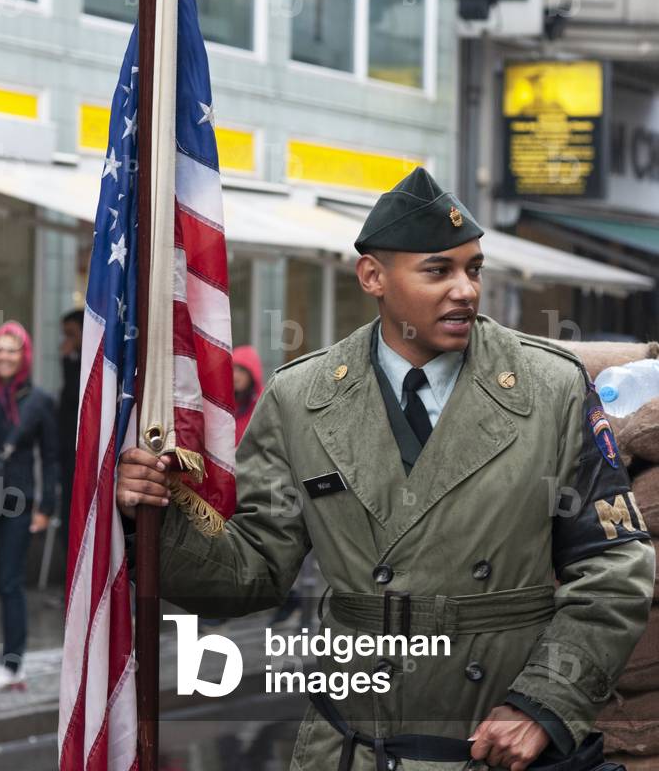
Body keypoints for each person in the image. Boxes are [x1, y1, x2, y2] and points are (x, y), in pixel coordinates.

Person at [116, 168, 654, 771]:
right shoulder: (302, 397)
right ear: (373, 276)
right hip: (351, 747)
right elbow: (256, 570)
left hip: (496, 746)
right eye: (438, 270)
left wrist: (545, 704)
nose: (465, 290)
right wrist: (156, 521)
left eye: (472, 269)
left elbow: (613, 569)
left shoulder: (549, 387)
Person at [0, 321, 59, 690]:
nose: (4, 357)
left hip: (17, 500)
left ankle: (12, 665)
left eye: (12, 350)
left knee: (10, 583)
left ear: (23, 354)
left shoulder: (39, 400)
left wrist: (46, 507)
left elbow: (51, 457)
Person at [58, 309, 84, 564]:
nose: (66, 341)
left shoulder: (86, 368)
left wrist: (66, 363)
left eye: (70, 334)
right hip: (67, 455)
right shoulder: (74, 361)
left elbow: (75, 398)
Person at [232, 344, 263, 446]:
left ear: (252, 374)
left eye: (241, 370)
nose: (235, 376)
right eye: (233, 369)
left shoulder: (263, 405)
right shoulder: (224, 405)